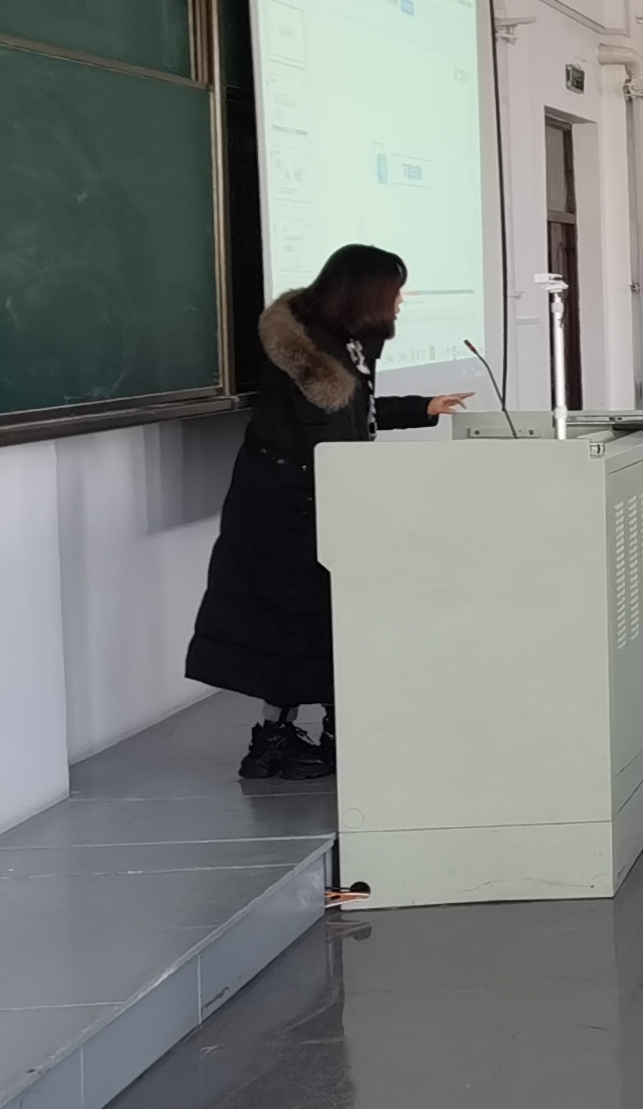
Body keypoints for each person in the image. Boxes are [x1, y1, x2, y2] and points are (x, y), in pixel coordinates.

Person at [185, 243, 471, 781]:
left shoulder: (344, 341)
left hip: (311, 500)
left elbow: (356, 416)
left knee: (320, 621)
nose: (401, 300)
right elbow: (330, 440)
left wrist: (422, 408)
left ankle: (318, 733)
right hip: (284, 509)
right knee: (294, 624)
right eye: (394, 290)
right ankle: (277, 742)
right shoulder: (312, 353)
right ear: (364, 293)